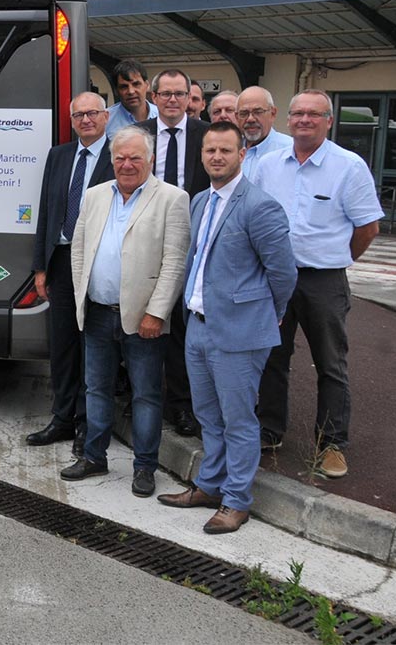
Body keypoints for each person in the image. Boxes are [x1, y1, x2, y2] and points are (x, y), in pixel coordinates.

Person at [158, 122, 296, 534]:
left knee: (238, 420)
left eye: (225, 151)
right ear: (202, 155)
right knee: (207, 415)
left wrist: (269, 314)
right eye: (210, 151)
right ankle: (210, 485)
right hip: (198, 326)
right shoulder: (200, 200)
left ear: (241, 155)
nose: (217, 157)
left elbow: (283, 273)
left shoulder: (260, 206)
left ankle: (237, 501)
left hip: (239, 333)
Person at [251, 90, 382, 478]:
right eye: (298, 114)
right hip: (275, 278)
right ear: (287, 120)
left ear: (328, 121)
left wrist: (340, 259)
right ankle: (269, 429)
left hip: (323, 280)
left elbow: (368, 227)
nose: (304, 120)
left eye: (314, 114)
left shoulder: (349, 166)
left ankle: (332, 445)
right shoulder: (269, 165)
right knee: (273, 358)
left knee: (331, 362)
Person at [62, 126, 189, 497]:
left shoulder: (172, 198)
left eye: (135, 157)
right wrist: (81, 296)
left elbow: (174, 263)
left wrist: (157, 313)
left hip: (143, 318)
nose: (127, 164)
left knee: (146, 395)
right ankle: (93, 457)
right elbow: (79, 250)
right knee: (96, 389)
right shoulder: (95, 195)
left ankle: (145, 467)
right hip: (99, 312)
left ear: (150, 160)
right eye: (120, 158)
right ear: (112, 160)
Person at [28, 92, 114, 457]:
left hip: (98, 262)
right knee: (62, 345)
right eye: (79, 115)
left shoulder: (119, 156)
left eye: (92, 113)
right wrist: (40, 266)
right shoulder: (59, 155)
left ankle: (86, 424)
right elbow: (46, 211)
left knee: (90, 348)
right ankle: (61, 418)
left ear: (106, 117)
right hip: (61, 261)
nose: (86, 120)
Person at [140, 68, 209, 437]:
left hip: (194, 243)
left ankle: (181, 405)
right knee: (144, 321)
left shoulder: (205, 135)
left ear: (189, 98)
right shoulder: (139, 135)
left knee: (183, 327)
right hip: (146, 239)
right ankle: (141, 397)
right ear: (154, 97)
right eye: (164, 93)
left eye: (179, 93)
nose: (171, 100)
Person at [237, 86, 293, 178]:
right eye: (244, 113)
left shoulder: (290, 150)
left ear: (273, 113)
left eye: (258, 112)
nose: (250, 119)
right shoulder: (230, 150)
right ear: (236, 116)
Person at [105, 59, 159, 138]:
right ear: (116, 91)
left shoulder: (161, 116)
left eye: (136, 84)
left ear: (147, 85)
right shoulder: (105, 121)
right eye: (124, 87)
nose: (131, 91)